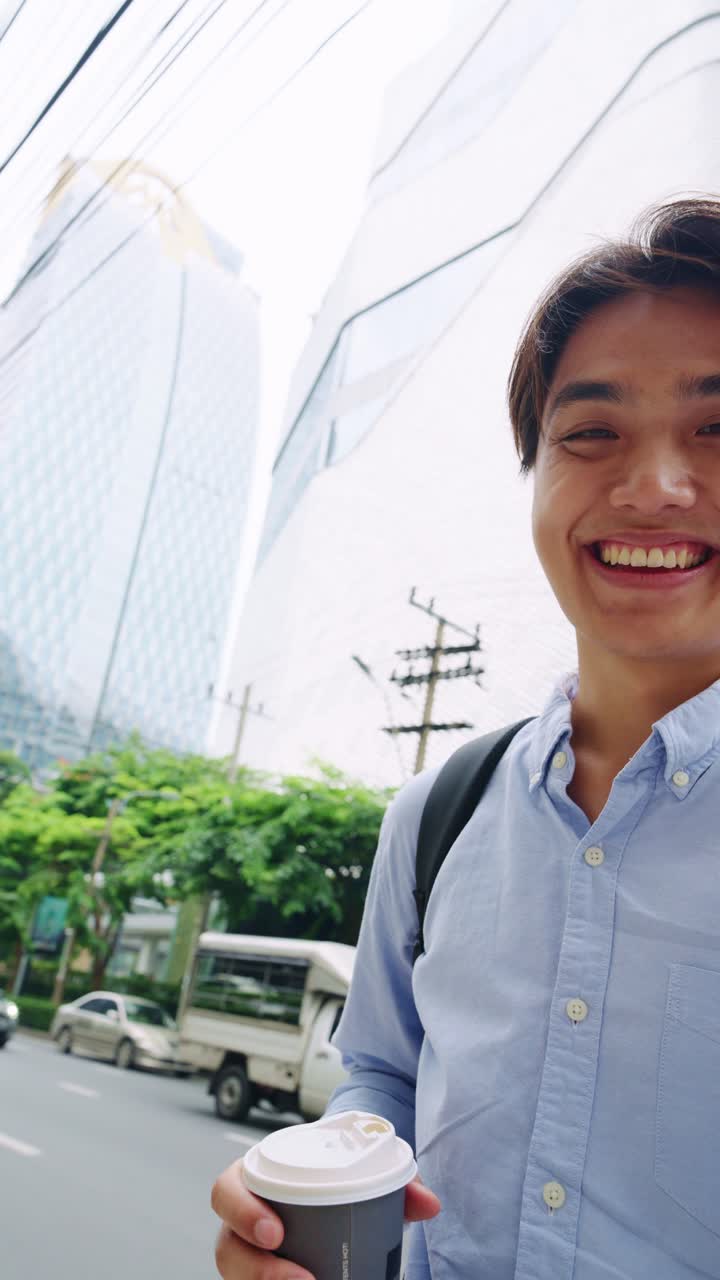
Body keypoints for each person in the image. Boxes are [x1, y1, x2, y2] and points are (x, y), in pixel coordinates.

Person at [211, 196, 720, 1279]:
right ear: (536, 473)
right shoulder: (437, 816)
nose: (654, 487)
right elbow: (382, 1075)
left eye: (718, 428)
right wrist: (314, 1198)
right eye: (592, 433)